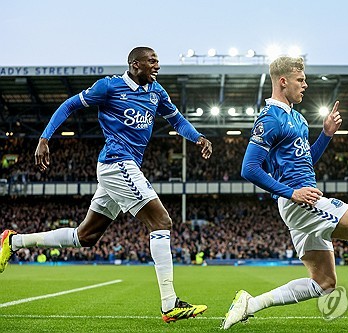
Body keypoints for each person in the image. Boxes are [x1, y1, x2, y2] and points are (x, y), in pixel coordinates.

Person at [0, 46, 212, 323]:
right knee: (161, 222)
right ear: (136, 65)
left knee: (85, 237)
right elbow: (70, 105)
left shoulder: (156, 92)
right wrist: (44, 138)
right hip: (116, 163)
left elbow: (176, 119)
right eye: (152, 61)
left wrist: (197, 137)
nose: (157, 66)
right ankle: (170, 304)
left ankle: (13, 241)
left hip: (123, 168)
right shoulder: (109, 87)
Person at [221, 56, 348, 331]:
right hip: (301, 202)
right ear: (283, 81)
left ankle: (250, 304)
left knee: (324, 284)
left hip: (301, 200)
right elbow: (249, 168)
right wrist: (291, 193)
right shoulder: (270, 118)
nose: (305, 85)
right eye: (300, 80)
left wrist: (326, 135)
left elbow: (306, 160)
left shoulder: (296, 118)